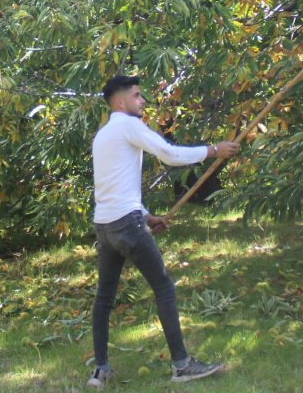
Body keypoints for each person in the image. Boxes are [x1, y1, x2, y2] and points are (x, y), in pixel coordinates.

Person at [87, 75, 240, 388]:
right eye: (137, 95)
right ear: (120, 101)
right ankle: (181, 366)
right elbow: (169, 154)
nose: (143, 101)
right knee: (164, 287)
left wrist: (147, 216)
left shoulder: (103, 135)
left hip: (105, 226)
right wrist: (213, 150)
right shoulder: (129, 126)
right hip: (126, 224)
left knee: (104, 298)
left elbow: (114, 186)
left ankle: (100, 371)